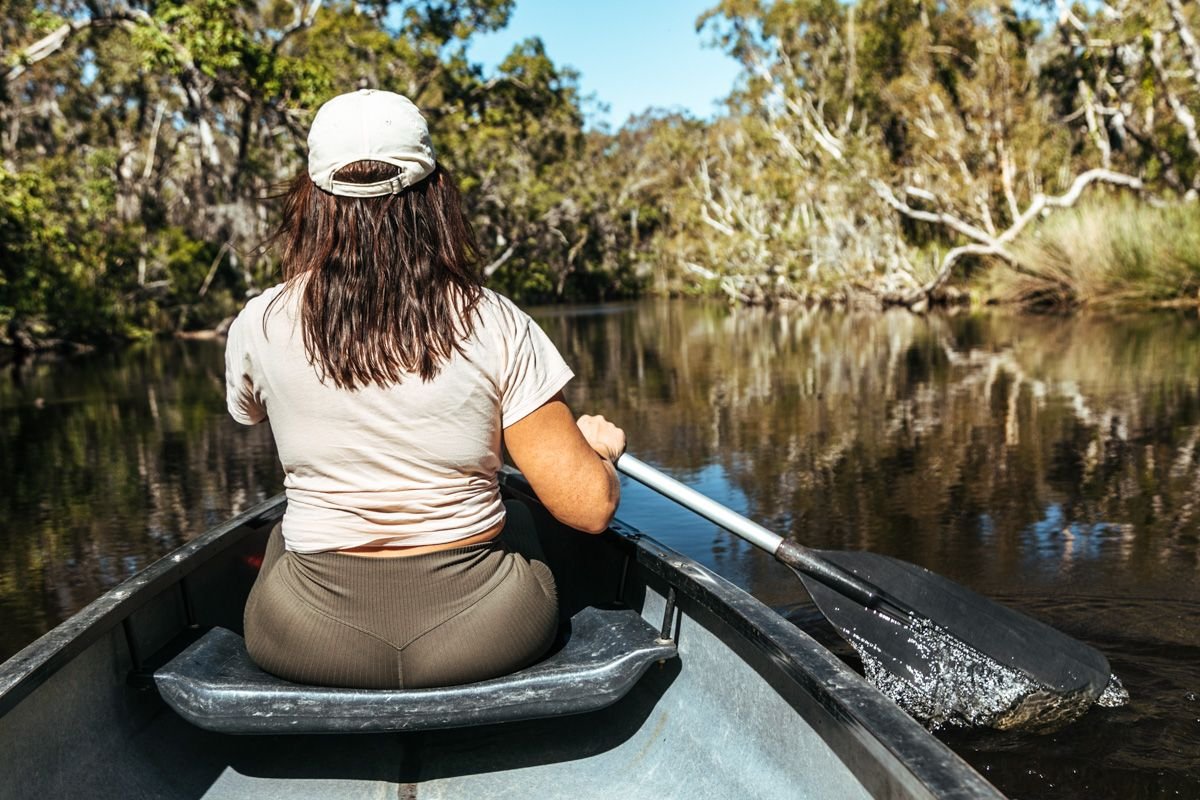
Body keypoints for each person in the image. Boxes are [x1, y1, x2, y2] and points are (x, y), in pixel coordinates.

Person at [224, 89, 626, 690]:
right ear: (435, 194)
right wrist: (600, 454)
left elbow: (248, 411)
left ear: (310, 199)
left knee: (280, 532)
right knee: (519, 518)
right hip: (489, 633)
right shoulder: (494, 319)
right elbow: (588, 508)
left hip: (305, 638)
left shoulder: (260, 320)